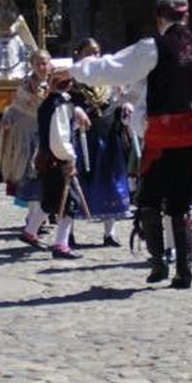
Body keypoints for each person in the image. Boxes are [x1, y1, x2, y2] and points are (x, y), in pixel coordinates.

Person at [66, 0, 192, 289]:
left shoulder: (152, 47)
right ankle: (184, 269)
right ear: (187, 16)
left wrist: (73, 69)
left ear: (159, 19)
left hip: (163, 137)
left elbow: (112, 68)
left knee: (148, 201)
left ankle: (159, 261)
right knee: (181, 204)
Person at [73, 39, 132, 246]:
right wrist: (75, 111)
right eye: (88, 52)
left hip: (108, 136)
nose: (94, 57)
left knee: (111, 183)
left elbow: (122, 101)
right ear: (79, 54)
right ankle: (67, 231)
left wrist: (125, 108)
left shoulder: (111, 80)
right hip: (82, 137)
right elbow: (60, 105)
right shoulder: (72, 80)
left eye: (97, 52)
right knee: (79, 182)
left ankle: (110, 232)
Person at [2, 52, 52, 245]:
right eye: (38, 63)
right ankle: (33, 221)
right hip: (29, 138)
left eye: (44, 63)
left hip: (50, 136)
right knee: (32, 178)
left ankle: (40, 218)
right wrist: (9, 119)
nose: (42, 67)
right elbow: (16, 107)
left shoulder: (56, 83)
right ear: (32, 65)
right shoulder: (25, 86)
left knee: (47, 179)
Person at [36, 69, 87, 260]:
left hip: (50, 159)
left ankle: (33, 232)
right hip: (58, 160)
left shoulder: (50, 103)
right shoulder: (59, 105)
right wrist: (69, 157)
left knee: (54, 200)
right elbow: (59, 137)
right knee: (69, 203)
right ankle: (61, 244)